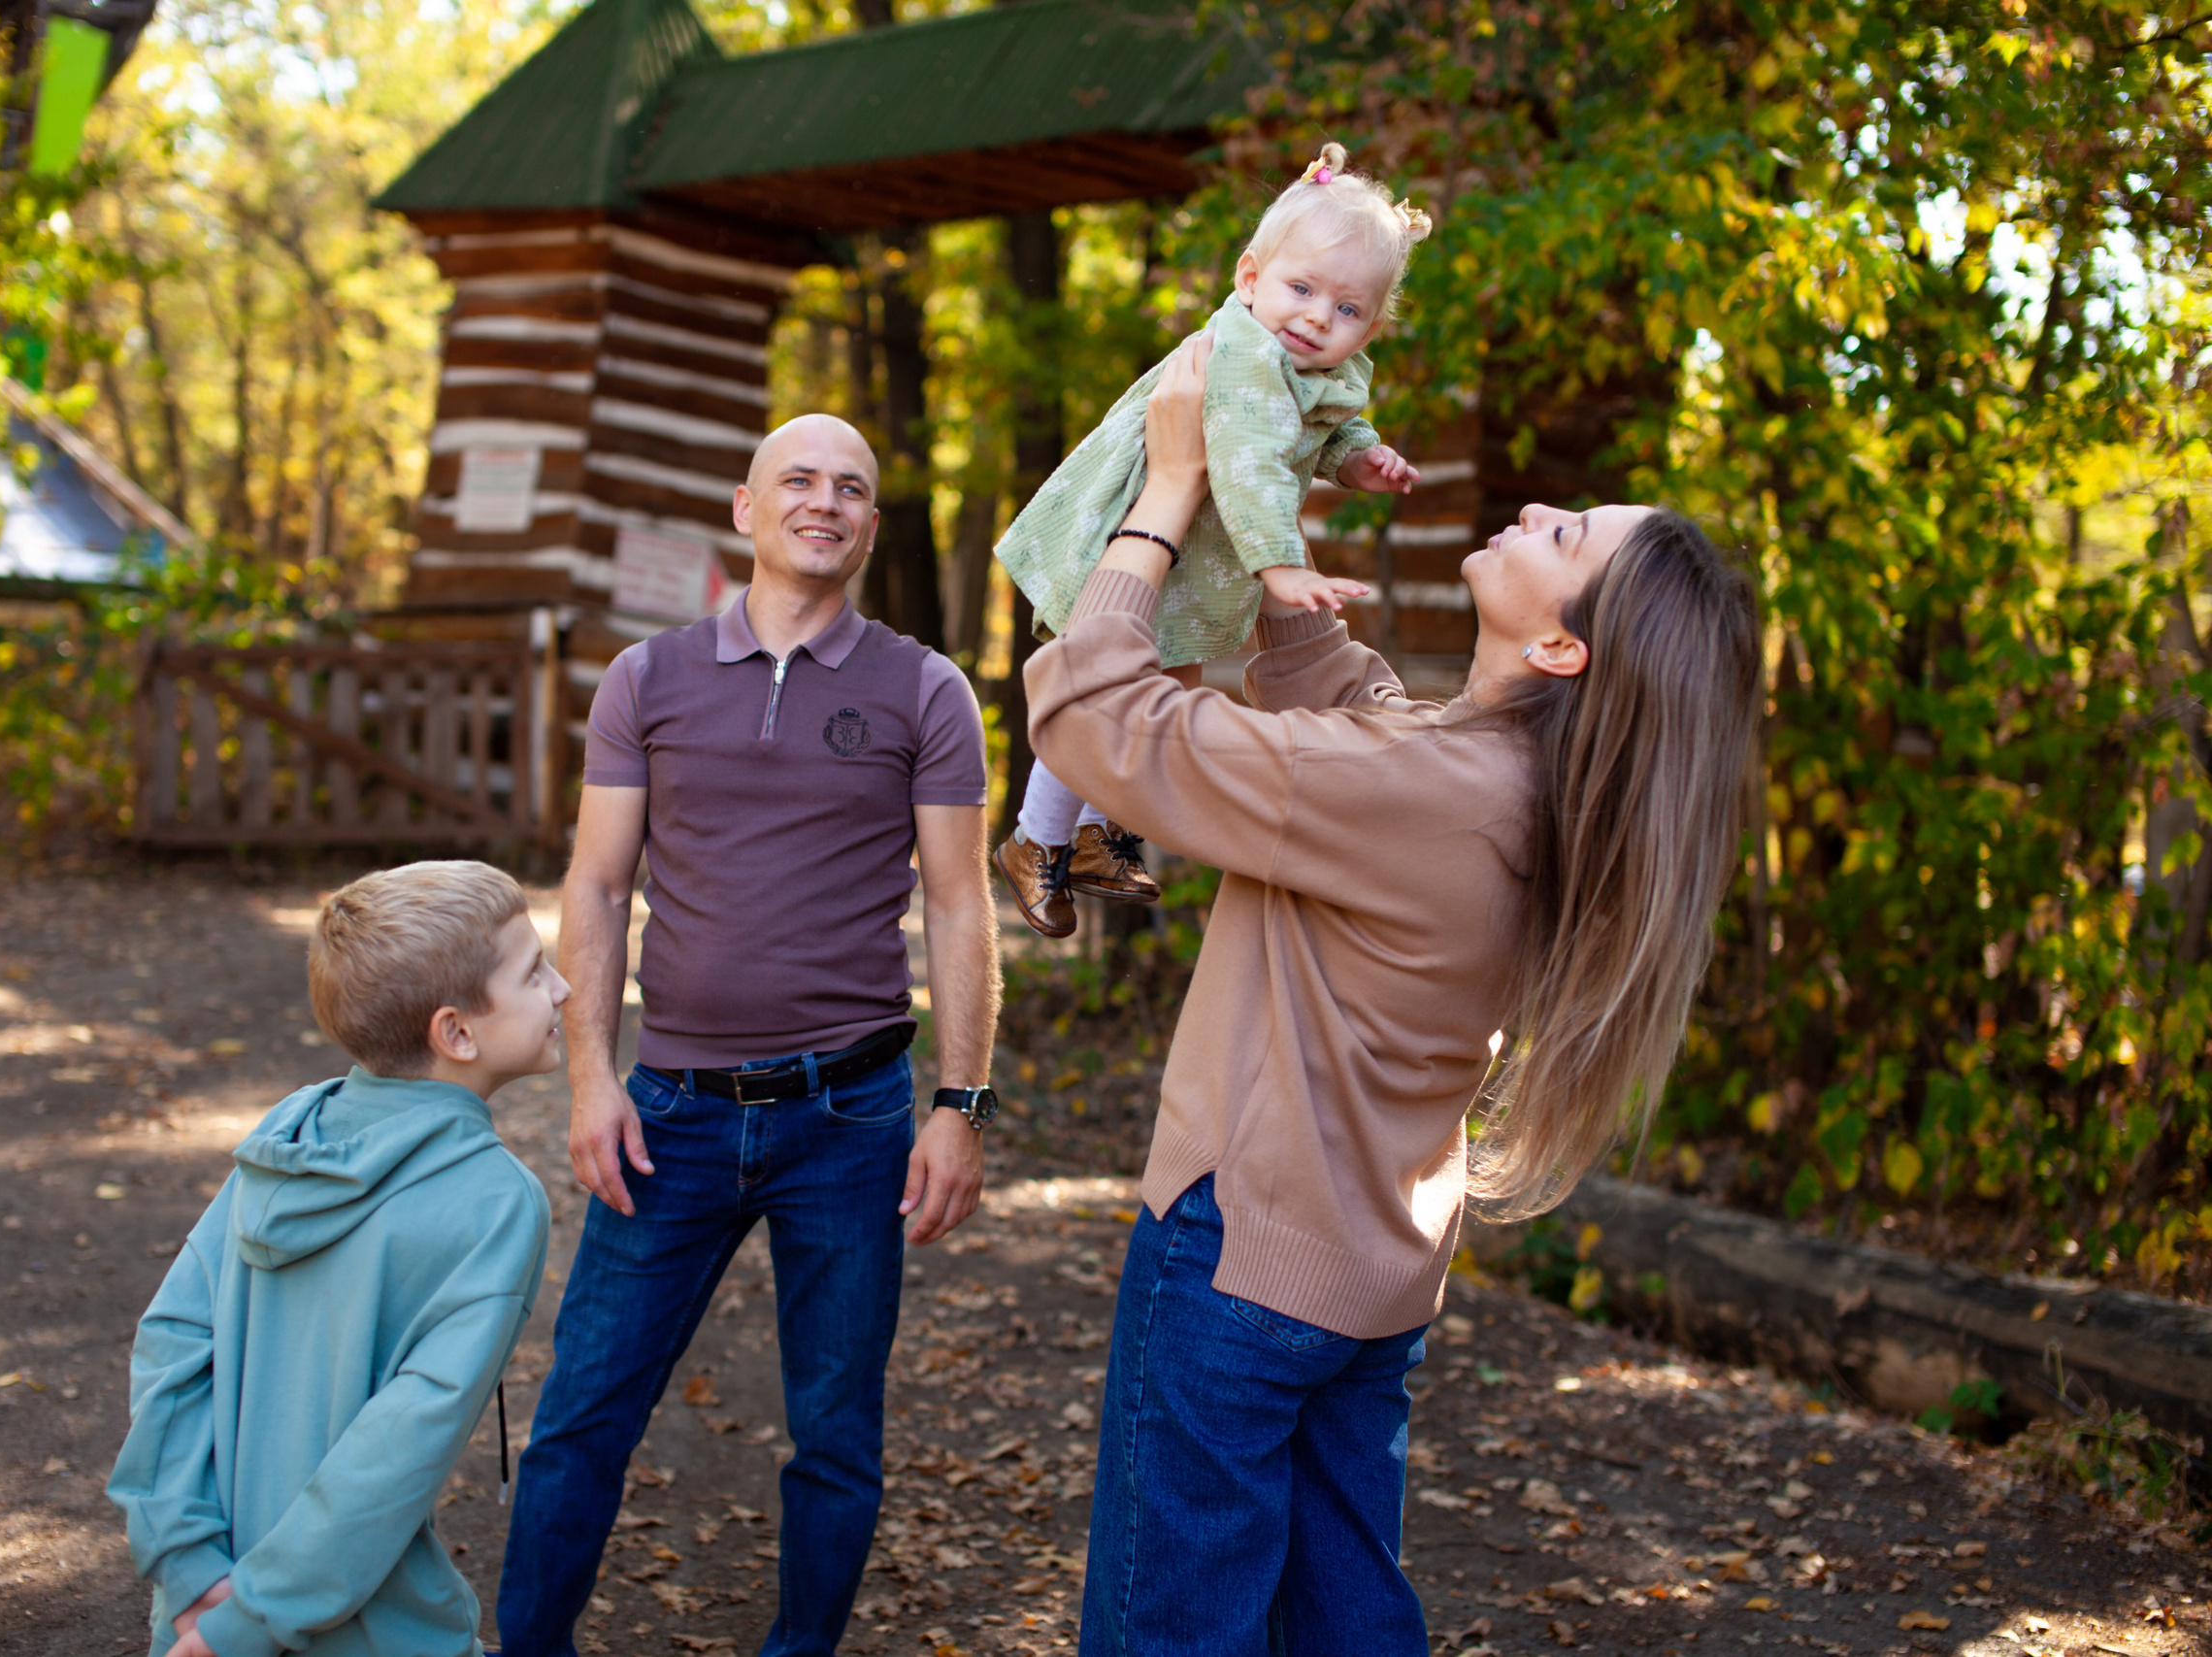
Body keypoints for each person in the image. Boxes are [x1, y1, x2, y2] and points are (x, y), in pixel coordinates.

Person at [1026, 340, 1762, 1656]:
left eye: (1567, 531)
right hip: (1366, 1275)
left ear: (1558, 640)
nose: (1537, 508)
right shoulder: (1504, 781)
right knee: (1343, 1615)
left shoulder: (1440, 797)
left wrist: (1169, 491)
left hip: (1240, 1256)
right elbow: (1342, 697)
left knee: (1170, 1628)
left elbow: (1094, 714)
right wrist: (1270, 503)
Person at [496, 414, 1002, 1657]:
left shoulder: (925, 689)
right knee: (581, 1417)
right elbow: (598, 886)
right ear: (745, 508)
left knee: (836, 1434)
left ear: (872, 526)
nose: (823, 501)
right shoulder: (647, 680)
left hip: (854, 1119)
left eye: (852, 487)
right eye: (799, 479)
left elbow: (957, 901)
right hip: (668, 1110)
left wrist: (962, 1104)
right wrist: (590, 1079)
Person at [109, 860, 566, 1657]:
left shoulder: (292, 1131)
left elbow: (172, 1341)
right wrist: (244, 1621)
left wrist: (191, 1567)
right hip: (359, 1633)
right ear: (456, 1031)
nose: (561, 989)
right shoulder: (499, 1203)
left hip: (199, 1614)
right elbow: (397, 1451)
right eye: (535, 972)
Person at [989, 142, 1431, 939]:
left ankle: (1092, 836)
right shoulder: (1244, 356)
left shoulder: (1309, 365)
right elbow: (1253, 459)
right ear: (1250, 278)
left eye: (1347, 311)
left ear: (1371, 322)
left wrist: (1362, 458)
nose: (1317, 319)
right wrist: (1281, 566)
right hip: (1136, 538)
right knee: (1096, 689)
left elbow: (1323, 428)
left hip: (1192, 562)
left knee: (1167, 689)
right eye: (1301, 289)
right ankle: (1034, 840)